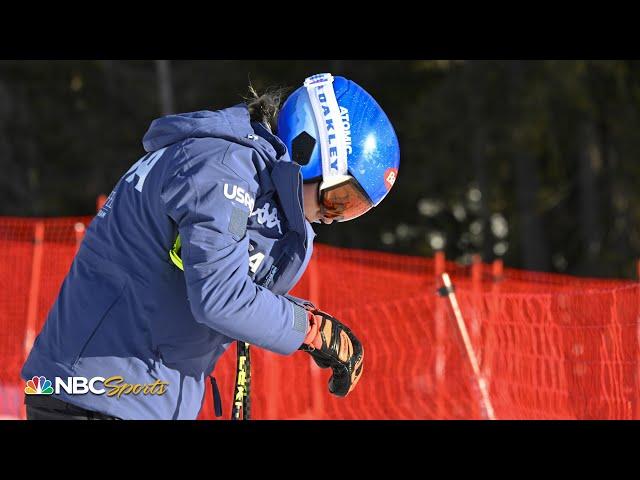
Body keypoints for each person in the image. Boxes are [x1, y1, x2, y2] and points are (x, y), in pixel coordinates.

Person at [21, 72, 400, 420]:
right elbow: (220, 298)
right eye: (340, 199)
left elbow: (224, 281)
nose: (333, 217)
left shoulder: (242, 174)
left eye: (352, 211)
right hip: (93, 394)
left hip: (126, 394)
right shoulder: (219, 168)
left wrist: (308, 322)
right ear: (308, 148)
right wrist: (311, 330)